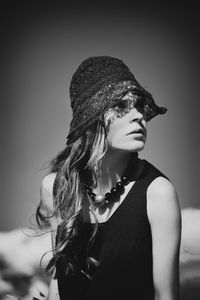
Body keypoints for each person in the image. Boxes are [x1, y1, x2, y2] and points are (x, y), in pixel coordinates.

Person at [36, 56, 182, 300]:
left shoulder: (158, 193)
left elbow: (166, 296)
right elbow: (58, 283)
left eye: (139, 106)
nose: (139, 117)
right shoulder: (56, 188)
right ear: (92, 118)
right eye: (122, 106)